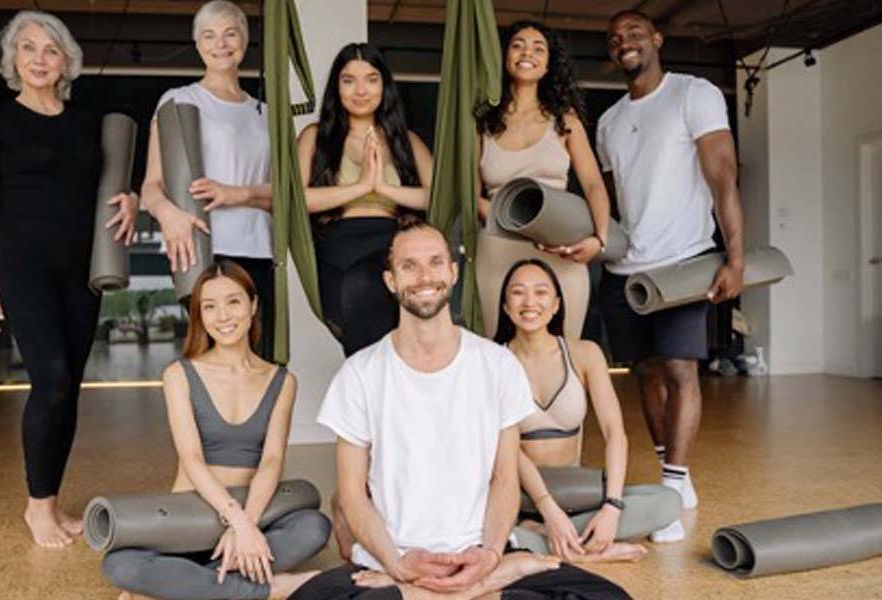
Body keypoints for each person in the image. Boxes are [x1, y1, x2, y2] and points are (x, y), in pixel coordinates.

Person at [292, 216, 629, 599]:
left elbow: (504, 478)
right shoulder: (359, 374)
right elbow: (351, 494)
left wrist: (489, 556)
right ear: (390, 281)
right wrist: (398, 565)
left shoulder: (496, 365)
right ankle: (483, 585)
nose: (424, 276)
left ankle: (466, 584)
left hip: (479, 552)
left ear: (453, 273)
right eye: (409, 265)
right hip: (392, 558)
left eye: (435, 262)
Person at [0, 10, 138, 549]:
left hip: (79, 271)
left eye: (51, 49)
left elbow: (108, 183)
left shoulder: (85, 121)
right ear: (14, 59)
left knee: (69, 390)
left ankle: (53, 501)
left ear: (67, 61)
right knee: (53, 378)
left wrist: (130, 200)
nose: (39, 58)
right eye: (28, 48)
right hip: (21, 265)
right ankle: (37, 508)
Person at [595, 10, 745, 540]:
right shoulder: (608, 122)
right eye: (615, 39)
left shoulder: (694, 94)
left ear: (657, 39)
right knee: (647, 373)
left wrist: (736, 257)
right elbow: (612, 202)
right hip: (625, 269)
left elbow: (722, 173)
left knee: (682, 370)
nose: (625, 42)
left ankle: (674, 483)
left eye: (635, 33)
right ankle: (672, 476)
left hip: (683, 262)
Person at [103, 262, 331, 600]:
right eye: (209, 306)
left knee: (314, 528)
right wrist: (236, 521)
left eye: (233, 302)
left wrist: (247, 525)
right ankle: (267, 588)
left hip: (253, 509)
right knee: (120, 565)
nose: (222, 316)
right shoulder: (179, 374)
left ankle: (187, 587)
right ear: (200, 315)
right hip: (191, 513)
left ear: (253, 306)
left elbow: (271, 461)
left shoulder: (281, 381)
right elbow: (192, 459)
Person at [494, 259, 682, 558]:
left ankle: (535, 540)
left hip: (576, 490)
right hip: (519, 495)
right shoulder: (494, 362)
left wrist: (612, 507)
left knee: (669, 501)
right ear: (505, 306)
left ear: (556, 304)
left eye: (541, 292)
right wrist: (548, 509)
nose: (530, 302)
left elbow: (615, 433)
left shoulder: (586, 354)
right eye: (518, 293)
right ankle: (584, 548)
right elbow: (510, 448)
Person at [141, 0, 277, 359]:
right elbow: (151, 186)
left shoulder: (264, 113)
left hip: (259, 250)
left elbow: (286, 196)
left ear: (244, 42)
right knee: (211, 358)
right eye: (209, 36)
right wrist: (168, 215)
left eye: (230, 33)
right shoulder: (179, 100)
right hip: (203, 249)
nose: (221, 43)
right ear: (198, 45)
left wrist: (238, 193)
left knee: (257, 358)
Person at [476, 21, 611, 339]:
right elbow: (468, 194)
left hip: (560, 246)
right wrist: (508, 221)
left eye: (539, 48)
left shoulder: (566, 121)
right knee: (501, 352)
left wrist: (599, 239)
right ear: (504, 56)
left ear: (549, 63)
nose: (528, 53)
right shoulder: (482, 122)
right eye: (518, 45)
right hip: (499, 245)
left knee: (564, 348)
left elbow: (593, 184)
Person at [297, 43, 433, 357]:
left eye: (371, 79)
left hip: (392, 247)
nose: (361, 90)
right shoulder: (314, 137)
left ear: (384, 86)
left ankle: (368, 396)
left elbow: (436, 196)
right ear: (336, 87)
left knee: (371, 294)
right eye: (349, 80)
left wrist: (383, 187)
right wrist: (361, 186)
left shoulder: (406, 141)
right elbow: (299, 200)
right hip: (336, 245)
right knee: (357, 303)